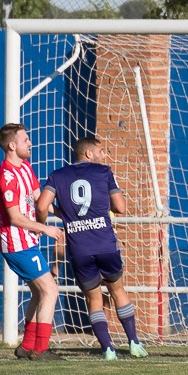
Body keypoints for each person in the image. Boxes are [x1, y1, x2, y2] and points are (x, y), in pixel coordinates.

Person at [35, 136, 148, 360]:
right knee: (117, 291)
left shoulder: (57, 175)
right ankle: (134, 343)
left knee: (94, 299)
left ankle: (108, 349)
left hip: (79, 248)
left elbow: (41, 206)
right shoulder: (104, 172)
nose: (104, 155)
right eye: (101, 150)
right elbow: (121, 207)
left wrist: (49, 221)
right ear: (88, 153)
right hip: (105, 243)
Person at [0, 123, 65, 361]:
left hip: (27, 241)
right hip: (16, 244)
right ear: (11, 145)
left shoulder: (25, 167)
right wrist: (45, 228)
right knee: (50, 289)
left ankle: (26, 347)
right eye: (25, 140)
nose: (30, 143)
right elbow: (14, 217)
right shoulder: (6, 176)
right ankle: (41, 349)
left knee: (39, 292)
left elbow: (39, 200)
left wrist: (66, 214)